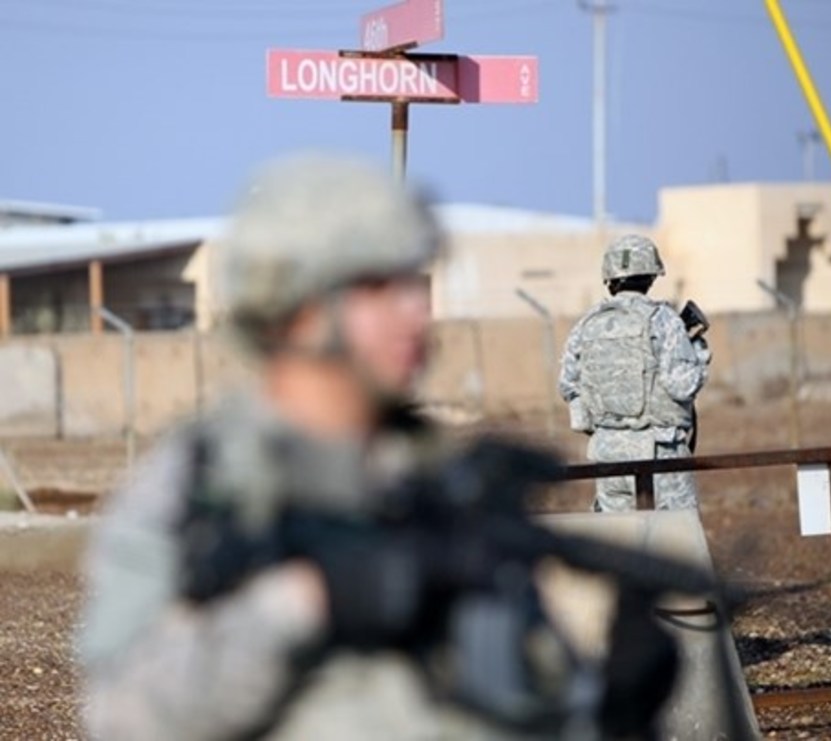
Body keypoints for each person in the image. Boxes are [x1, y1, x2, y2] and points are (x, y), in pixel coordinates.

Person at [78, 154, 679, 740]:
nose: (416, 311)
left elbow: (511, 697)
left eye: (416, 282)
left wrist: (609, 712)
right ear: (294, 306)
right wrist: (308, 600)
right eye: (375, 286)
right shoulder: (204, 480)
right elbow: (122, 716)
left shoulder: (436, 478)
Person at [558, 234, 711, 513]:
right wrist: (698, 353)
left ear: (609, 277)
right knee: (676, 534)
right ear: (651, 276)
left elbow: (569, 385)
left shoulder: (587, 324)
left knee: (618, 535)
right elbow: (682, 385)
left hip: (608, 455)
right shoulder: (664, 320)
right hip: (660, 454)